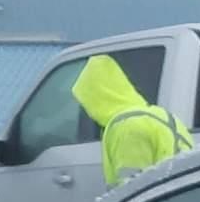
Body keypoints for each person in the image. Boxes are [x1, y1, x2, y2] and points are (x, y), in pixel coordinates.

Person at [70, 54, 193, 185]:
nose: (89, 112)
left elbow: (132, 189)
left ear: (98, 97)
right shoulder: (160, 115)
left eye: (87, 103)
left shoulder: (127, 127)